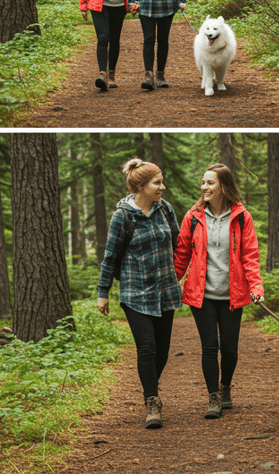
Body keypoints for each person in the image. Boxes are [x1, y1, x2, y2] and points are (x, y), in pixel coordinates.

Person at [174, 163, 265, 419]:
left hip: (232, 295)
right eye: (203, 182)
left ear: (224, 186)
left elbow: (250, 256)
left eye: (210, 183)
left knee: (230, 349)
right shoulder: (193, 217)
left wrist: (256, 287)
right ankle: (213, 396)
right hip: (201, 295)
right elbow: (181, 255)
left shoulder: (242, 217)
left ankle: (225, 387)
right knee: (209, 346)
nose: (204, 187)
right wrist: (170, 283)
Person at [97, 159, 182, 429]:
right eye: (157, 183)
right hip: (135, 292)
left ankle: (150, 387)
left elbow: (178, 243)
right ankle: (152, 401)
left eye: (161, 181)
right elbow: (110, 256)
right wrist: (103, 292)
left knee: (162, 352)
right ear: (141, 186)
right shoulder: (123, 216)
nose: (162, 187)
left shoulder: (165, 209)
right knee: (147, 348)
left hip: (165, 291)